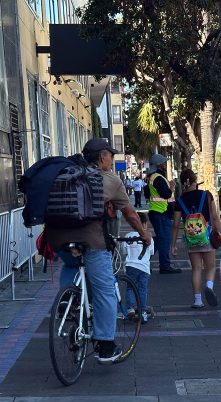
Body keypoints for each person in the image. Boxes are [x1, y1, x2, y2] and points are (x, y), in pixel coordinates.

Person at [47, 138, 152, 363]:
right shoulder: (110, 179)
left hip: (57, 237)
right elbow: (130, 213)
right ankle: (106, 346)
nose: (112, 161)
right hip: (90, 240)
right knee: (105, 289)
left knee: (71, 262)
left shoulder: (67, 173)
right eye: (111, 156)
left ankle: (68, 301)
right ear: (102, 157)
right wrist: (144, 234)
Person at [171, 168, 221, 309]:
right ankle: (209, 286)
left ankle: (197, 300)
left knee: (196, 269)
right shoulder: (206, 195)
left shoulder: (179, 200)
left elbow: (176, 224)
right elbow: (215, 217)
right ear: (195, 181)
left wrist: (173, 244)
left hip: (191, 238)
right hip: (207, 236)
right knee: (210, 267)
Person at [146, 154, 181, 274]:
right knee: (164, 239)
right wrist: (171, 188)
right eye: (163, 163)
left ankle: (145, 258)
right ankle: (164, 265)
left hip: (157, 212)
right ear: (158, 165)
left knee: (161, 239)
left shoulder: (152, 177)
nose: (165, 165)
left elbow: (147, 194)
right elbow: (166, 195)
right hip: (161, 213)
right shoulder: (159, 178)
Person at [121, 212, 155, 323]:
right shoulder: (148, 236)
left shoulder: (128, 236)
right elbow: (151, 252)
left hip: (130, 266)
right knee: (142, 289)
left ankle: (130, 308)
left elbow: (123, 251)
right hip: (144, 268)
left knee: (131, 287)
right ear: (144, 224)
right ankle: (143, 311)